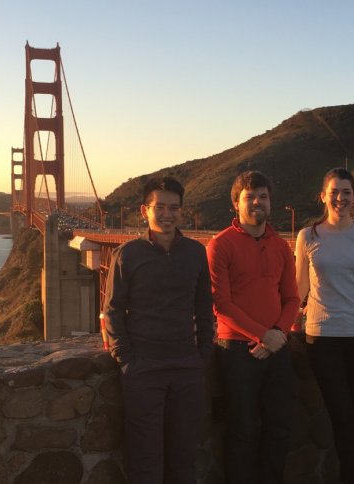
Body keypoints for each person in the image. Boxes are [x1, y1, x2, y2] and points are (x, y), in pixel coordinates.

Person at [103, 176, 214, 484]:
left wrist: (201, 356)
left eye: (174, 208)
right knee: (145, 461)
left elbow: (205, 308)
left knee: (183, 458)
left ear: (182, 211)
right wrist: (126, 360)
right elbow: (112, 310)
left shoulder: (195, 253)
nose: (167, 214)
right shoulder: (127, 254)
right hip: (144, 370)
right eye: (160, 207)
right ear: (145, 210)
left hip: (186, 369)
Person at [294, 167, 354, 484]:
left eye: (346, 192)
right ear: (323, 196)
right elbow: (299, 290)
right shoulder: (308, 236)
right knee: (341, 413)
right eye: (334, 191)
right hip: (322, 337)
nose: (340, 198)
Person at [206, 170, 300, 484]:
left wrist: (278, 333)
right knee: (242, 429)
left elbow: (291, 297)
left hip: (277, 345)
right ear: (236, 203)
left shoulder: (281, 246)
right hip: (235, 348)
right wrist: (263, 335)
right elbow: (221, 304)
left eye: (263, 196)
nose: (257, 202)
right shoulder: (220, 245)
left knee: (279, 427)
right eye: (249, 197)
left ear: (270, 202)